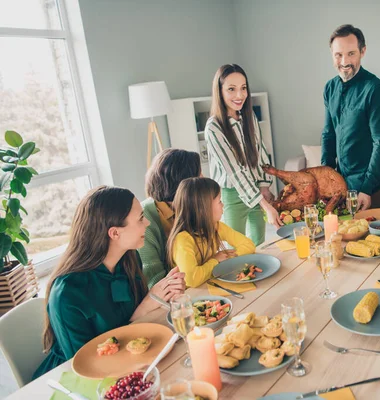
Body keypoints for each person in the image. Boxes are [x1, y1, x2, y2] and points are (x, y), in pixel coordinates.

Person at [34, 186, 186, 379]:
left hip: (134, 364)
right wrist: (144, 308)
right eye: (140, 218)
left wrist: (163, 296)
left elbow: (139, 327)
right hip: (74, 380)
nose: (147, 223)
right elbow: (89, 366)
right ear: (114, 233)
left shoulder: (130, 260)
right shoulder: (67, 293)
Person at [205, 64, 280, 246]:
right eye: (231, 89)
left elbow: (260, 152)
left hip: (255, 188)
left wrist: (264, 186)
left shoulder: (249, 116)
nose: (239, 95)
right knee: (235, 247)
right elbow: (235, 173)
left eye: (243, 88)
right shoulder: (214, 128)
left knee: (259, 244)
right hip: (231, 194)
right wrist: (265, 205)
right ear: (220, 91)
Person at [321, 24, 380, 211]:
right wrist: (325, 180)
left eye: (351, 54)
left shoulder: (376, 90)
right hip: (340, 185)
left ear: (363, 51)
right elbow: (328, 135)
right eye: (338, 55)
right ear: (332, 54)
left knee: (373, 240)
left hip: (371, 187)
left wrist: (366, 189)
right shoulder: (329, 88)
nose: (344, 61)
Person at [167, 177, 256, 288]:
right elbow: (191, 279)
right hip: (191, 296)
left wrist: (226, 258)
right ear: (203, 208)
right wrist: (215, 261)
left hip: (210, 284)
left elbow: (249, 245)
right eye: (219, 201)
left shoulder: (216, 226)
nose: (223, 205)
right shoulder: (183, 239)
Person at [139, 148, 202, 288]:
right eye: (199, 176)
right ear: (182, 183)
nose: (203, 180)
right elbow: (155, 282)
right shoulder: (144, 218)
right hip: (167, 300)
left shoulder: (188, 208)